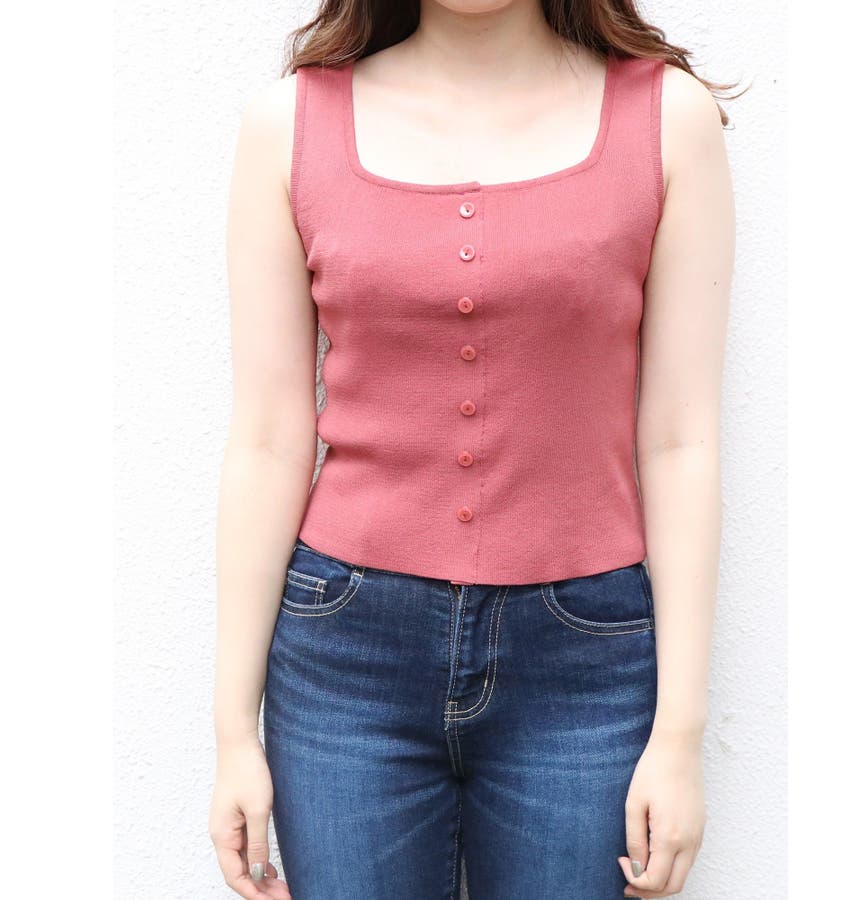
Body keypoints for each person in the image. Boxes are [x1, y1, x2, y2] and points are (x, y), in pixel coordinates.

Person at [208, 1, 737, 898]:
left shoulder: (667, 120)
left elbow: (681, 438)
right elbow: (267, 439)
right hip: (344, 662)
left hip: (585, 666)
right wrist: (232, 736)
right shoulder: (290, 124)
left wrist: (679, 735)